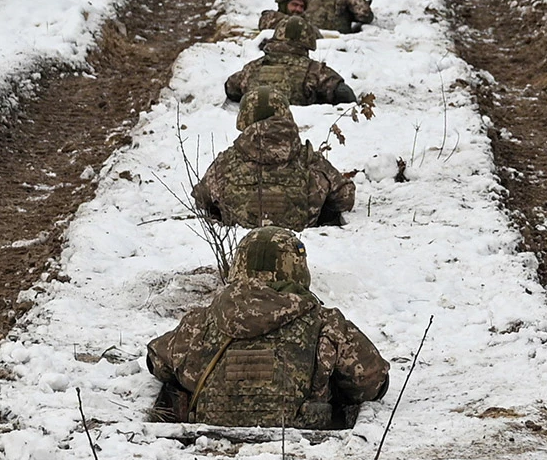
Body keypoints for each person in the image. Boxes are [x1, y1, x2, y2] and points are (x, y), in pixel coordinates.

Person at [146, 227, 390, 429]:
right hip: (302, 445)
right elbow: (372, 382)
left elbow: (157, 362)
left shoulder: (201, 322)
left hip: (207, 445)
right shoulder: (326, 324)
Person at [193, 87, 355, 230]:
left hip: (241, 248)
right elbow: (345, 198)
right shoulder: (310, 160)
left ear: (245, 119)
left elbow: (201, 198)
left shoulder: (226, 162)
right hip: (303, 249)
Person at [224, 17, 356, 105]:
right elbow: (344, 93)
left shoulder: (252, 68)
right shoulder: (314, 70)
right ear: (308, 41)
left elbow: (230, 88)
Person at [257, 0, 323, 46]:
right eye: (294, 4)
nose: (298, 9)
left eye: (302, 6)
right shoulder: (269, 19)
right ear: (284, 4)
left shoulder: (308, 24)